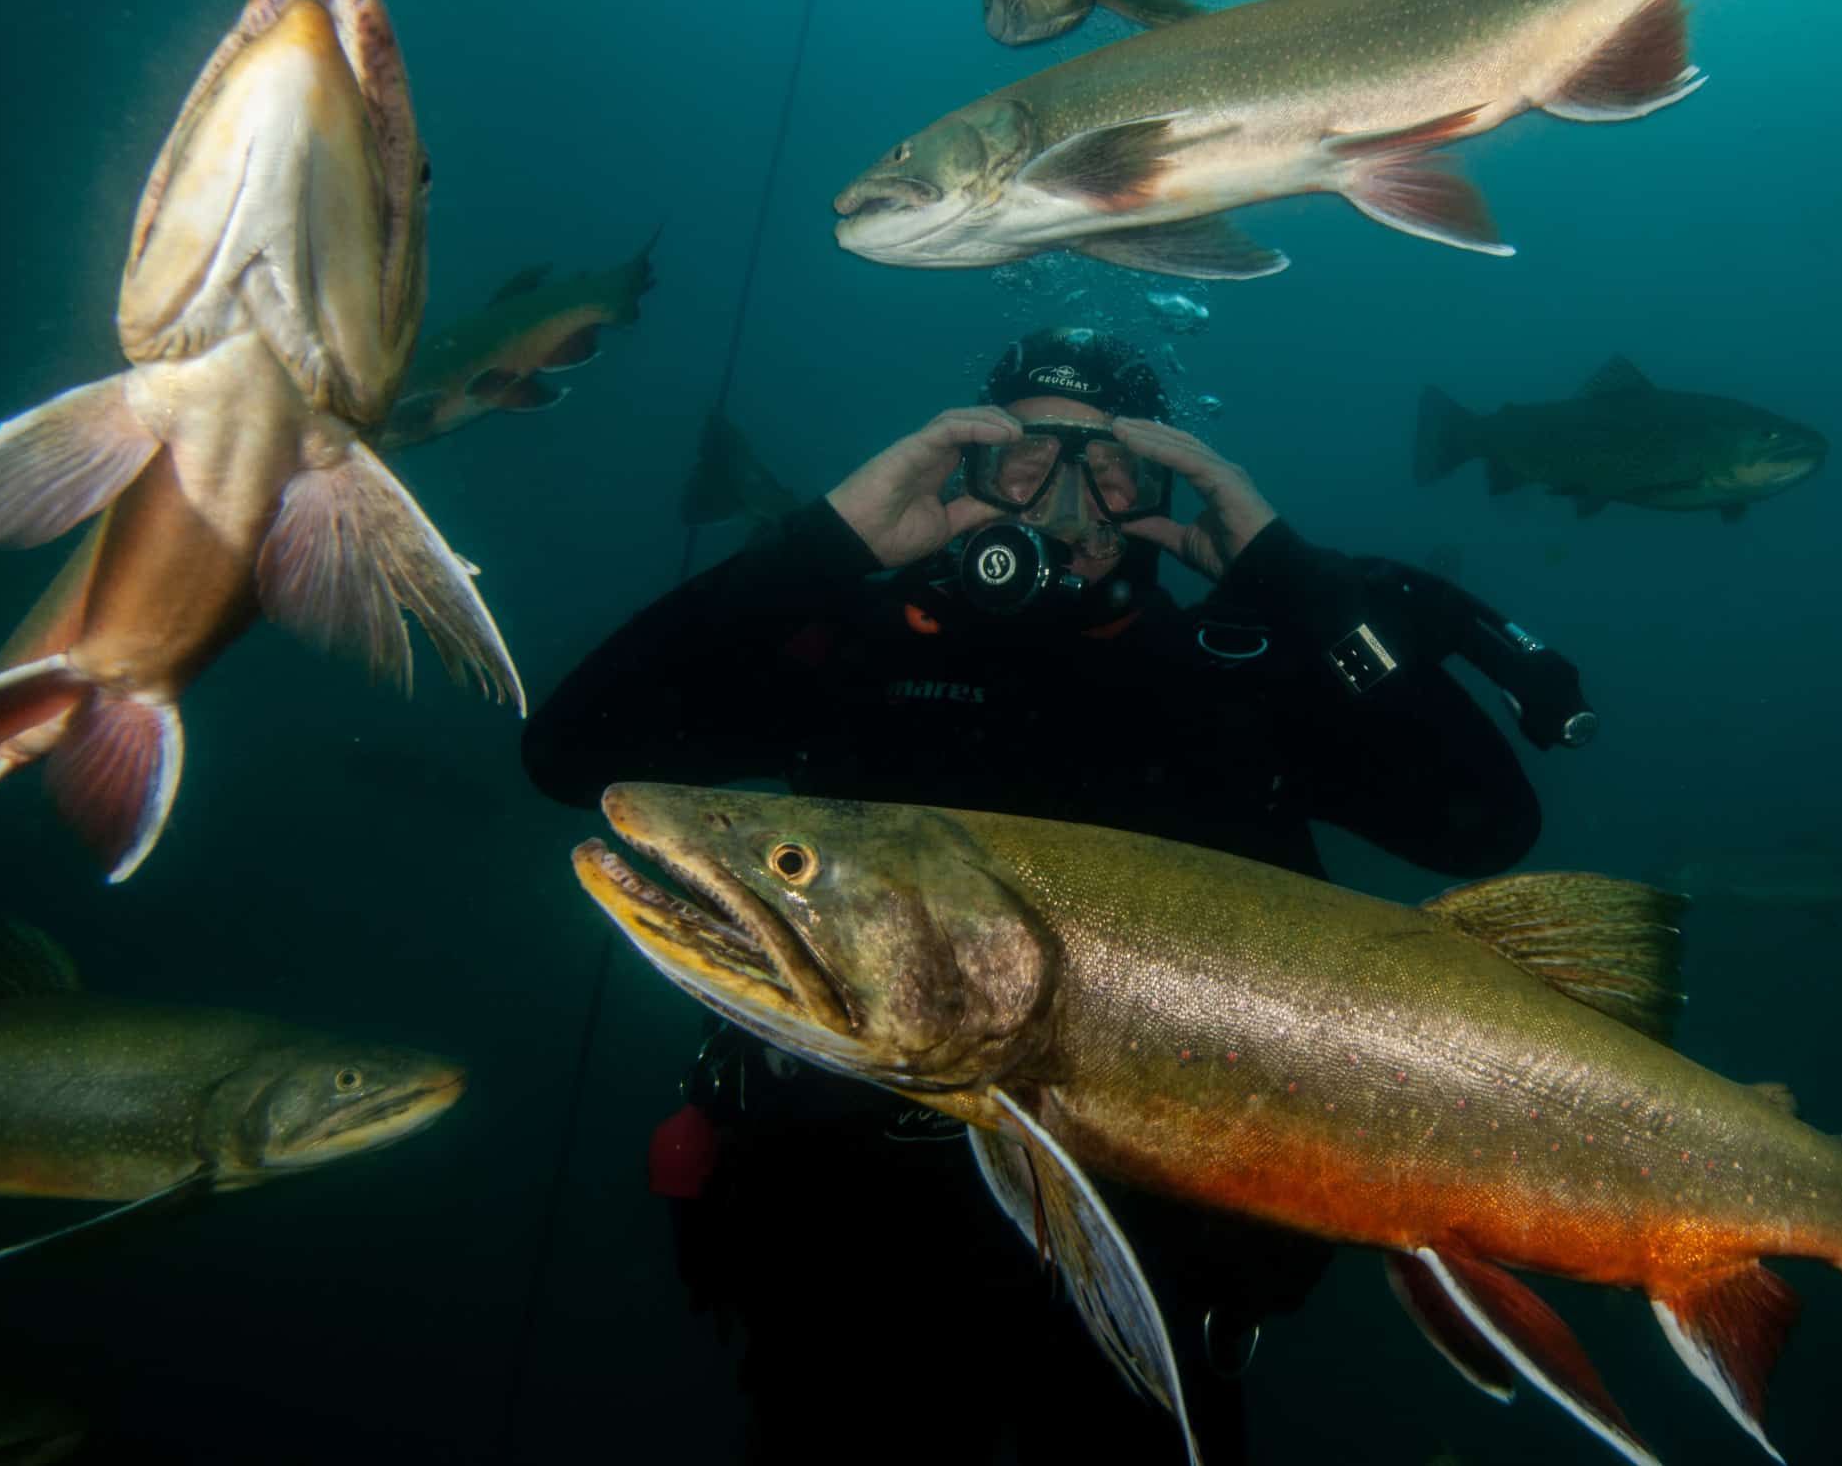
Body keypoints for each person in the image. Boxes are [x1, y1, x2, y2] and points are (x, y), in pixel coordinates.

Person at [523, 326, 1550, 1464]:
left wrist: (1287, 578)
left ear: (1166, 484)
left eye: (1113, 468)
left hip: (1160, 1260)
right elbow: (573, 757)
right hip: (844, 1245)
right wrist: (822, 545)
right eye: (1020, 455)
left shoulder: (1233, 670)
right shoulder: (860, 645)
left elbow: (1482, 826)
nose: (1066, 498)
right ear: (958, 468)